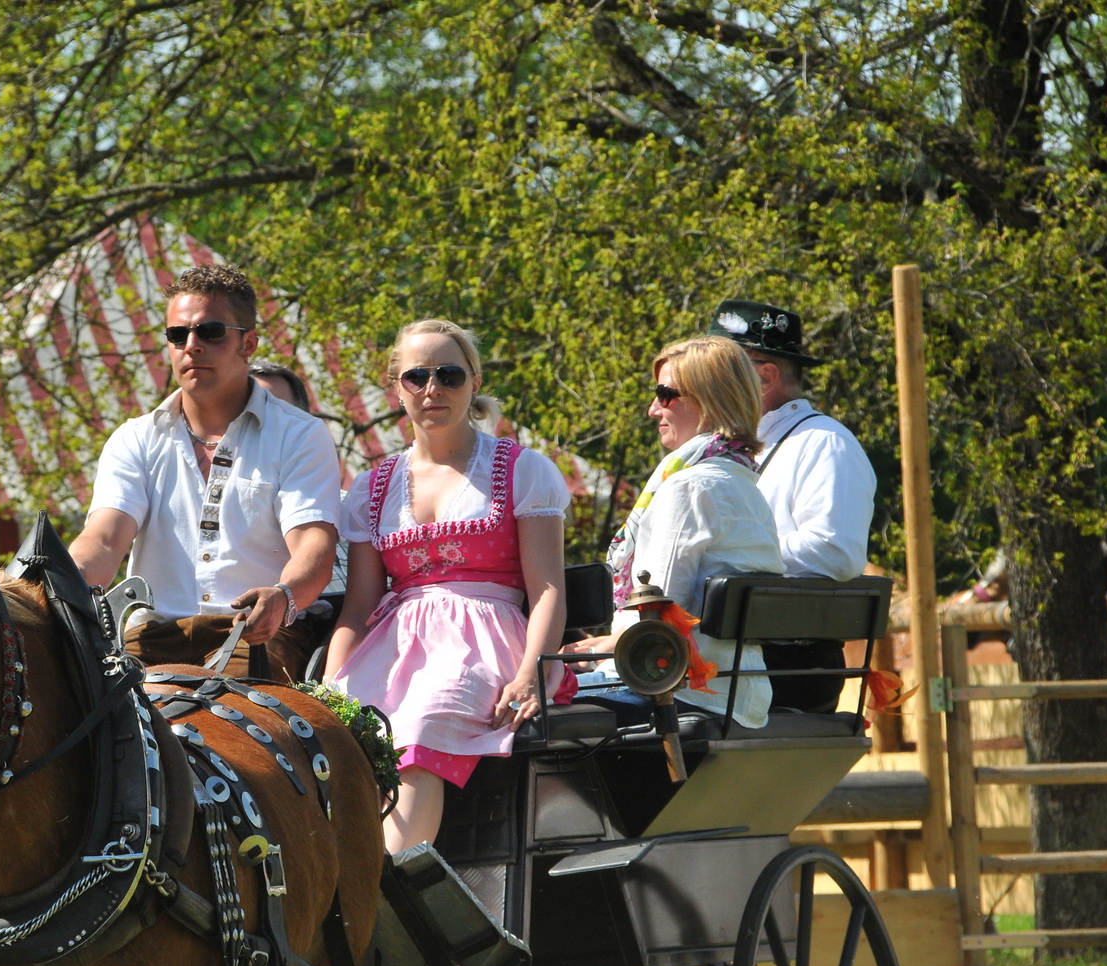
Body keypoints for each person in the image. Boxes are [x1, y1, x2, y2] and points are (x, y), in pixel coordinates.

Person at [325, 320, 572, 854]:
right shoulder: (372, 487)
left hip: (487, 639)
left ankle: (392, 895)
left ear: (474, 381)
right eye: (416, 376)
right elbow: (359, 606)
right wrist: (325, 691)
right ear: (397, 389)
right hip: (395, 646)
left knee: (420, 724)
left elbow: (548, 587)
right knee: (342, 743)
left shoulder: (523, 470)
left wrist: (533, 671)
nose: (432, 389)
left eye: (449, 375)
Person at [70, 265, 341, 682]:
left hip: (257, 635)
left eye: (210, 331)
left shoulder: (300, 434)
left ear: (248, 343)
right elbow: (104, 540)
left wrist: (284, 596)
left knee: (224, 720)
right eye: (178, 335)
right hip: (150, 636)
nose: (191, 345)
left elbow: (314, 545)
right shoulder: (134, 439)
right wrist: (50, 582)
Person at [567, 335, 783, 728]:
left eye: (665, 394)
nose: (653, 409)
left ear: (710, 398)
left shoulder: (688, 486)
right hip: (740, 693)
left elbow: (657, 618)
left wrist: (599, 649)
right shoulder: (744, 484)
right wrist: (603, 644)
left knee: (513, 703)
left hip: (673, 690)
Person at [707, 300, 876, 710]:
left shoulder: (825, 443)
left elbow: (834, 553)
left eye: (718, 370)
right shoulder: (724, 449)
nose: (703, 383)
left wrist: (723, 559)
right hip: (731, 659)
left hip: (786, 667)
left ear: (764, 377)